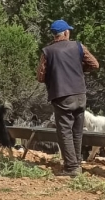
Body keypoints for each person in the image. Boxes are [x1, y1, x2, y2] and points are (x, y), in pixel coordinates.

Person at [37, 20, 99, 177]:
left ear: (55, 35)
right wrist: (79, 68)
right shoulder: (78, 46)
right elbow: (94, 64)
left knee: (64, 131)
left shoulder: (47, 51)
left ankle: (71, 168)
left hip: (62, 95)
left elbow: (40, 76)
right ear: (65, 33)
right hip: (80, 94)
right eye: (69, 31)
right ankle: (76, 163)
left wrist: (55, 75)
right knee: (77, 131)